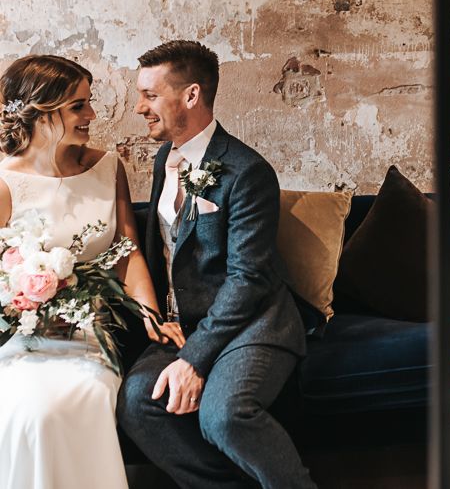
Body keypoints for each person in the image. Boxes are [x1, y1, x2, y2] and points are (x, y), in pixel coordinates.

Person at [117, 40, 316, 489]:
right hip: (185, 324)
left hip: (253, 323)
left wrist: (194, 359)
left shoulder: (248, 171)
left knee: (224, 416)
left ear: (190, 95)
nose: (138, 107)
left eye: (150, 95)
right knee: (136, 401)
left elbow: (248, 280)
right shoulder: (164, 158)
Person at [0, 55, 172, 489]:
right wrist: (22, 301)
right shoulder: (3, 182)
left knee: (85, 399)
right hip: (24, 341)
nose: (92, 114)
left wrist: (153, 317)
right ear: (41, 109)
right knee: (34, 412)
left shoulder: (106, 166)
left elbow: (126, 252)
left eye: (88, 102)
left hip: (93, 336)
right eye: (78, 105)